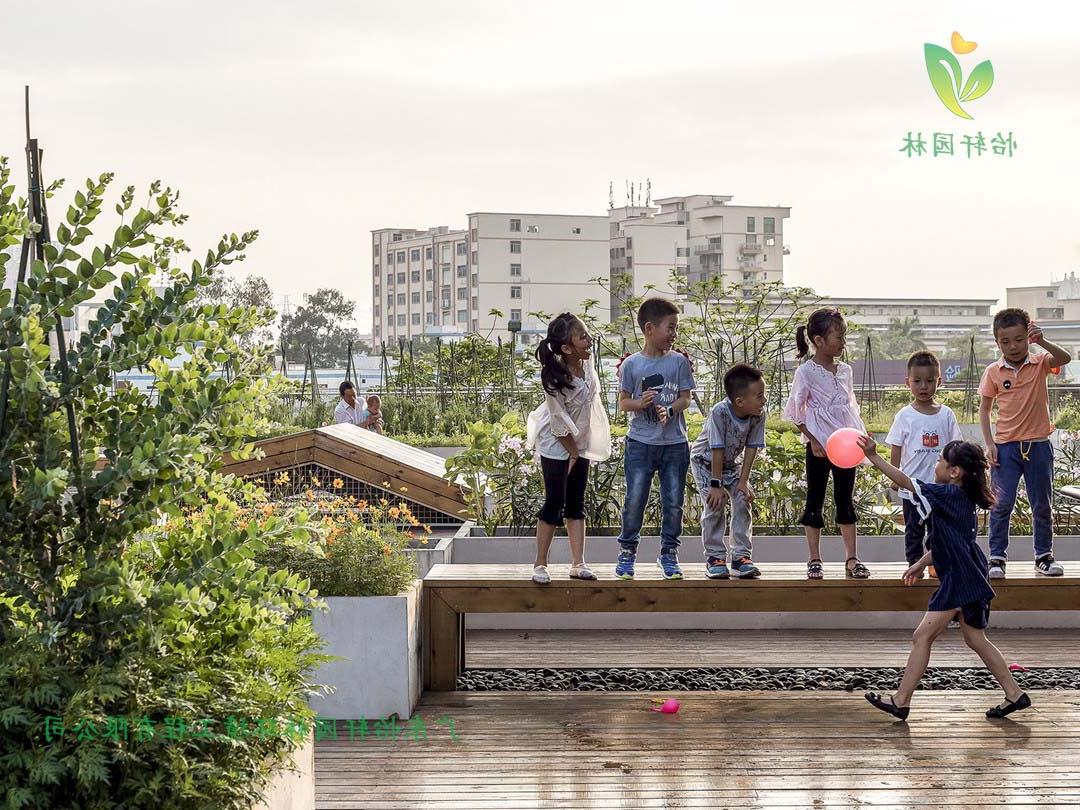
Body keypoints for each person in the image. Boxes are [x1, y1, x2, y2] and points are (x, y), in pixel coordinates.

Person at [858, 435, 1031, 721]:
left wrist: (874, 457)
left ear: (955, 472)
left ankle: (901, 701)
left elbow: (905, 481)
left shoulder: (948, 494)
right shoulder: (961, 498)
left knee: (922, 635)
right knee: (976, 639)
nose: (936, 464)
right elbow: (950, 542)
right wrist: (921, 563)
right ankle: (1015, 694)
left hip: (960, 578)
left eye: (940, 460)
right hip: (970, 572)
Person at [979, 308, 1071, 579]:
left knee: (1041, 504)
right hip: (1005, 448)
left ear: (1028, 337)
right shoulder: (993, 371)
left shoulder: (1041, 361)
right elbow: (984, 409)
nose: (1013, 346)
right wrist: (989, 444)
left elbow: (1065, 358)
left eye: (1019, 339)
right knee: (1001, 504)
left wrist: (1041, 341)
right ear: (997, 342)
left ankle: (1043, 556)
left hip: (1038, 445)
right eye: (1005, 341)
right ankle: (996, 558)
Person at [782, 307, 869, 580]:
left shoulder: (845, 371)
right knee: (814, 499)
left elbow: (850, 407)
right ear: (819, 340)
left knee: (845, 499)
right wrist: (813, 439)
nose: (842, 342)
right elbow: (796, 412)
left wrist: (859, 436)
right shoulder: (806, 372)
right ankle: (814, 558)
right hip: (819, 445)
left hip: (846, 445)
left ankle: (851, 558)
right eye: (838, 336)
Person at [524, 313, 611, 584]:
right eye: (582, 336)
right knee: (554, 502)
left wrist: (580, 449)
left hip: (580, 442)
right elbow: (558, 421)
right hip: (557, 444)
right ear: (566, 348)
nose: (589, 340)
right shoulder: (554, 377)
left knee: (576, 502)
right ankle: (540, 563)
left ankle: (578, 563)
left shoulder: (588, 363)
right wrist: (572, 452)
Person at [614, 298, 695, 580]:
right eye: (670, 328)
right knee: (635, 499)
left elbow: (686, 398)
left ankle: (669, 554)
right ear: (649, 329)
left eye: (676, 328)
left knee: (674, 501)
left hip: (674, 444)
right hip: (640, 444)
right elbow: (624, 403)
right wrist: (642, 402)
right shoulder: (632, 365)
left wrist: (670, 409)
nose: (674, 334)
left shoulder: (679, 362)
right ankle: (627, 553)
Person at [886, 351, 963, 574]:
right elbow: (896, 447)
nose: (923, 386)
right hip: (913, 488)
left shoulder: (946, 414)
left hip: (940, 489)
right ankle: (914, 565)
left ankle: (935, 564)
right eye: (917, 381)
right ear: (907, 382)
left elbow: (955, 448)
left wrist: (956, 477)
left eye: (930, 381)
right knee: (913, 529)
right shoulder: (904, 415)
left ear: (939, 381)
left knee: (938, 529)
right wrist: (894, 477)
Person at [690, 363, 766, 579]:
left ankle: (741, 557)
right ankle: (715, 557)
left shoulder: (758, 414)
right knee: (716, 504)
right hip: (705, 462)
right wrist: (715, 485)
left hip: (731, 464)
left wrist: (743, 481)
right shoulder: (720, 412)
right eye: (759, 396)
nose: (764, 400)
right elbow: (716, 449)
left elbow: (752, 447)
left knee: (742, 499)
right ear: (740, 401)